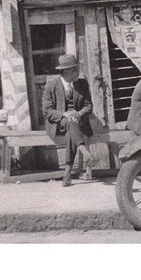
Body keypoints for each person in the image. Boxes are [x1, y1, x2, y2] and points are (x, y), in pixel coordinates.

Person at [42, 54, 95, 187]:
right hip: (58, 124)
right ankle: (84, 152)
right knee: (70, 122)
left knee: (72, 127)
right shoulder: (51, 86)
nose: (78, 72)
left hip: (78, 123)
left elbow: (89, 106)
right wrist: (64, 114)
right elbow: (47, 111)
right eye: (75, 69)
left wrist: (78, 113)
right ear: (66, 71)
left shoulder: (82, 83)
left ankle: (67, 170)